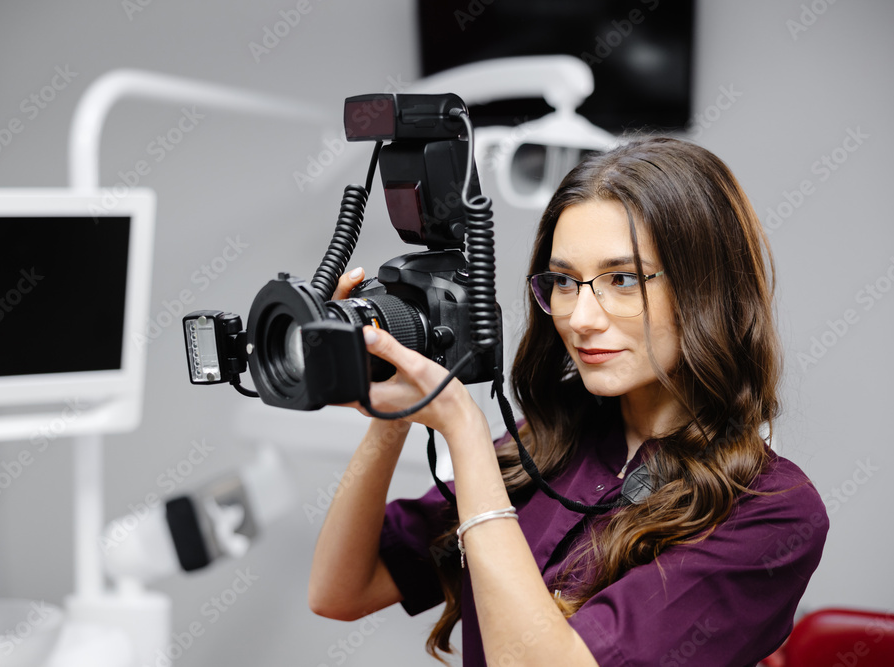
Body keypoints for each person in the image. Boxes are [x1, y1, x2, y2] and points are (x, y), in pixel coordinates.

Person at [307, 136, 829, 666]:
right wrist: (390, 413)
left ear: (708, 289)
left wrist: (462, 429)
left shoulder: (771, 512)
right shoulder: (541, 450)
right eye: (563, 281)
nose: (580, 318)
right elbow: (341, 590)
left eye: (622, 279)